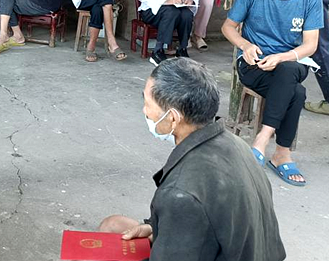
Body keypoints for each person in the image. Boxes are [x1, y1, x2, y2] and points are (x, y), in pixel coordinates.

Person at [98, 58, 286, 261]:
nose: (144, 111)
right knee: (112, 225)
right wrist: (156, 227)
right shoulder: (236, 144)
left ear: (172, 117)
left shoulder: (181, 192)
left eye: (147, 104)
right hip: (249, 251)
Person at [221, 0, 322, 187]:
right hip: (255, 64)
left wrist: (281, 57)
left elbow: (310, 45)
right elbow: (228, 27)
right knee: (297, 93)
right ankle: (282, 154)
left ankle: (261, 140)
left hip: (293, 62)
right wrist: (245, 45)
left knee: (288, 70)